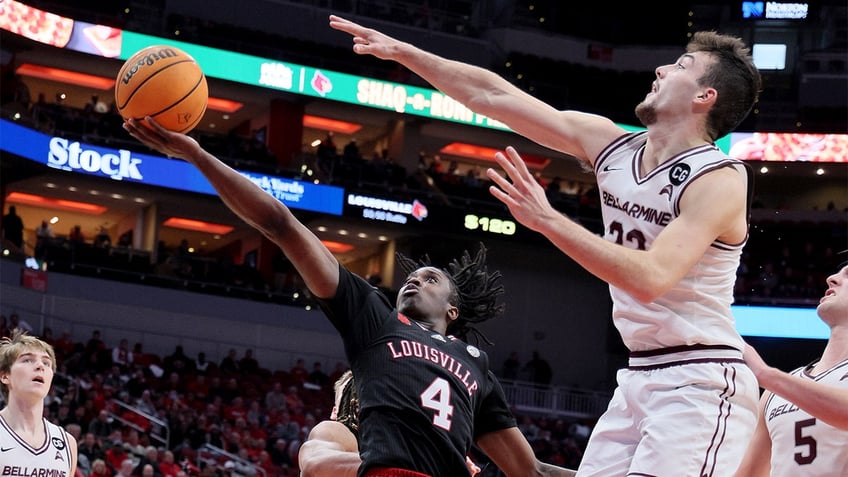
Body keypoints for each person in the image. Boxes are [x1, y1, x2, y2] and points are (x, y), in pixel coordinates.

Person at [329, 16, 762, 476]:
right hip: (638, 377)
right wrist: (406, 54)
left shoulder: (719, 178)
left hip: (699, 377)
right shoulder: (611, 147)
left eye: (681, 66)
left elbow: (652, 277)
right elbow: (493, 96)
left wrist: (548, 220)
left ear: (704, 96)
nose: (661, 70)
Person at [123, 117, 572, 476]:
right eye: (411, 279)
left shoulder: (476, 364)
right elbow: (281, 224)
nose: (414, 282)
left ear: (452, 309)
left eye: (431, 279)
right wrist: (197, 155)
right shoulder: (377, 321)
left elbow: (529, 469)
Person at [734, 264, 848, 477]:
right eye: (837, 272)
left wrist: (766, 375)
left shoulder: (774, 383)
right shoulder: (774, 394)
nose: (831, 278)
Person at [0, 328, 78, 475]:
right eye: (27, 360)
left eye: (46, 363)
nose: (40, 366)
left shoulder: (67, 442)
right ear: (5, 376)